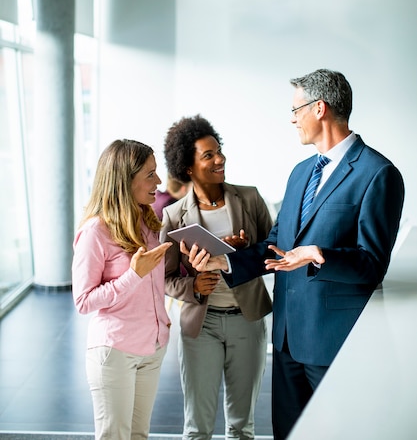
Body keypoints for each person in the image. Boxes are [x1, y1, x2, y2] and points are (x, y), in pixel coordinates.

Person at [183, 69, 405, 440]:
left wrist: (320, 254)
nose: (292, 118)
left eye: (296, 109)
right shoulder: (301, 173)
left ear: (319, 109)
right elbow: (276, 244)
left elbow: (372, 264)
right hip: (286, 339)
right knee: (288, 433)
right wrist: (225, 261)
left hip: (332, 342)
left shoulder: (378, 174)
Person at [160, 115, 273, 440]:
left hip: (246, 321)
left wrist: (239, 253)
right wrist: (192, 285)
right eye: (208, 155)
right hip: (201, 326)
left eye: (219, 151)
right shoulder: (173, 215)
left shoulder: (250, 199)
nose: (219, 158)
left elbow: (274, 253)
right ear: (188, 168)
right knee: (197, 429)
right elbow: (166, 279)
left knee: (241, 427)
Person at [72, 139, 173, 440]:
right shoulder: (95, 231)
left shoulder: (148, 221)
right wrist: (133, 275)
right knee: (115, 436)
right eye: (150, 174)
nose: (159, 181)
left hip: (152, 348)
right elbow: (83, 301)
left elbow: (154, 286)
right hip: (115, 352)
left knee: (138, 435)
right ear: (125, 179)